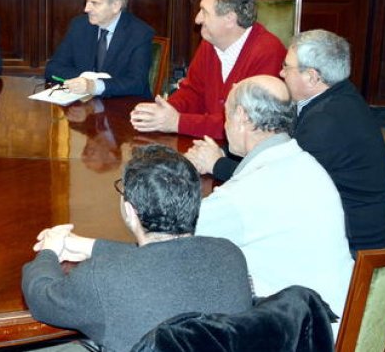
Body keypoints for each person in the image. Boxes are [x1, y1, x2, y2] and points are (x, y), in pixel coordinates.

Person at [22, 144, 252, 352]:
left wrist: (48, 252)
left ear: (131, 211)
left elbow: (41, 299)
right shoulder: (229, 255)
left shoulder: (102, 278)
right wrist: (93, 247)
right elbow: (163, 263)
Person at [187, 29, 385, 254]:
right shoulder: (334, 97)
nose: (281, 73)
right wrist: (226, 152)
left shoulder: (326, 123)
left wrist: (217, 164)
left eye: (287, 66)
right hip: (343, 221)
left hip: (353, 243)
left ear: (313, 77)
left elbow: (274, 187)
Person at [194, 76, 353, 325]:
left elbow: (176, 235)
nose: (225, 127)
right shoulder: (305, 163)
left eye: (226, 116)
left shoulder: (245, 193)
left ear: (242, 116)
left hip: (303, 332)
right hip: (336, 313)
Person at [131, 0, 284, 138]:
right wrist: (164, 111)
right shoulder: (210, 42)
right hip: (207, 143)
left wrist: (178, 122)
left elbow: (248, 126)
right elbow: (193, 92)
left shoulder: (268, 53)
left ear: (229, 18)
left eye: (204, 12)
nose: (197, 19)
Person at [45, 0, 155, 97]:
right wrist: (83, 80)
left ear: (116, 5)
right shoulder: (79, 26)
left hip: (124, 107)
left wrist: (95, 86)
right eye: (87, 1)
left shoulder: (139, 33)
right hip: (83, 106)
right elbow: (52, 69)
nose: (86, 9)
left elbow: (137, 83)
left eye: (95, 3)